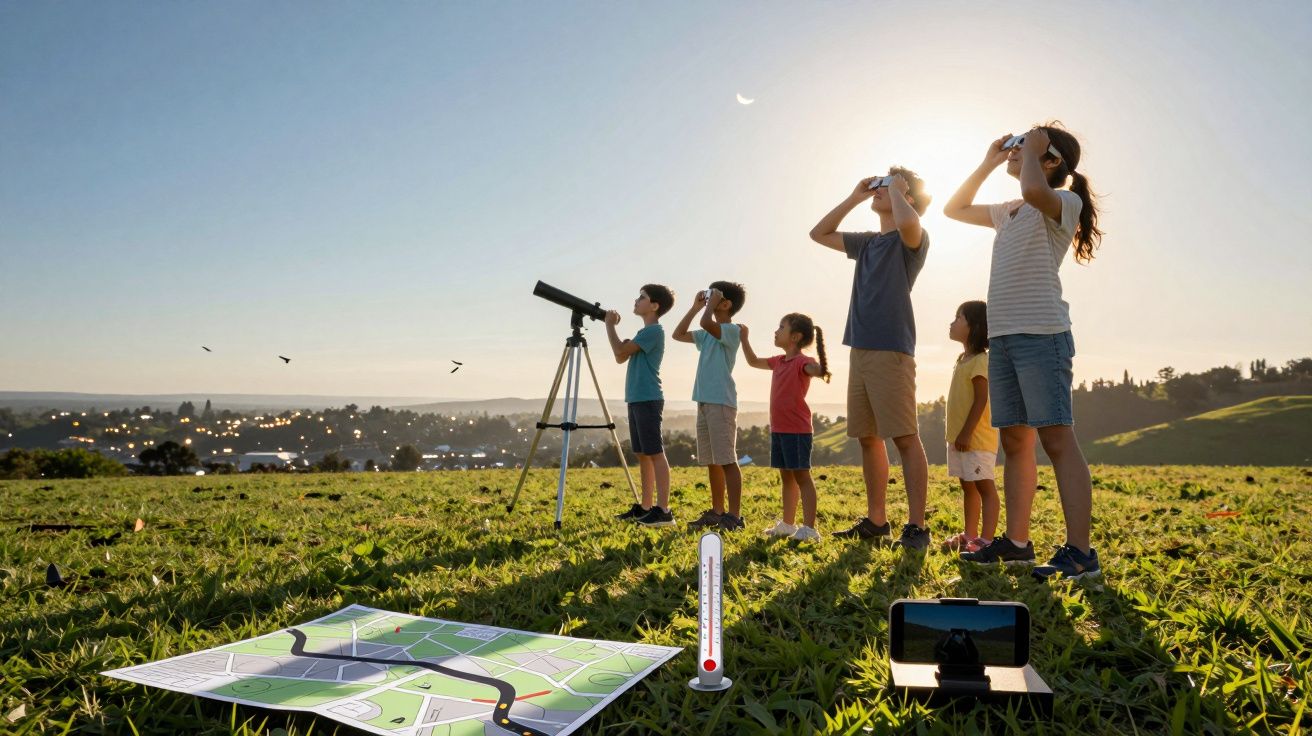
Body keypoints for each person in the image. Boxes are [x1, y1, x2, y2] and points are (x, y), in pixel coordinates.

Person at [943, 123, 1103, 580]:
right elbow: (955, 208)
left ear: (1051, 160)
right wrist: (991, 161)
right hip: (1006, 340)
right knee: (1014, 443)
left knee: (1056, 439)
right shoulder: (1009, 209)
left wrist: (1031, 149)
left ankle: (1080, 553)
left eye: (1025, 147)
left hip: (1042, 336)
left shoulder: (1060, 201)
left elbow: (1035, 187)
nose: (1016, 151)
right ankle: (1016, 543)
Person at [808, 167, 933, 551]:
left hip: (890, 349)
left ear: (907, 197)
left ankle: (916, 527)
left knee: (905, 437)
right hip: (860, 349)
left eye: (891, 186)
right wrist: (856, 197)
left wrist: (897, 188)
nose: (881, 189)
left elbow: (910, 222)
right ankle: (877, 521)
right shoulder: (867, 243)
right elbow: (819, 233)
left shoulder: (912, 238)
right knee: (868, 438)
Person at [740, 313, 832, 542]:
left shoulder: (801, 362)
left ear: (795, 337)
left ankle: (810, 529)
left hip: (797, 430)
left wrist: (819, 367)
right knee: (786, 477)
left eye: (781, 327)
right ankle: (788, 524)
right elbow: (752, 361)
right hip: (779, 429)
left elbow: (816, 370)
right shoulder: (778, 361)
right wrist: (744, 338)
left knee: (802, 476)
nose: (776, 331)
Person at [672, 281, 746, 531]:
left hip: (721, 403)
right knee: (713, 461)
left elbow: (706, 323)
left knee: (727, 459)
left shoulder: (732, 330)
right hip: (703, 401)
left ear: (726, 304)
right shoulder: (706, 334)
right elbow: (678, 334)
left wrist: (708, 307)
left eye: (716, 297)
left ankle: (734, 516)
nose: (710, 300)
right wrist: (695, 307)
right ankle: (717, 511)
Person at [606, 285, 676, 527]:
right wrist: (623, 342)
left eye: (642, 298)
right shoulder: (643, 333)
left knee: (655, 453)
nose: (636, 301)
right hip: (636, 398)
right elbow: (620, 356)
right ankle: (645, 507)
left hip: (648, 398)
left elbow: (618, 350)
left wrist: (610, 326)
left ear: (654, 306)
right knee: (643, 454)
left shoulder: (654, 331)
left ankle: (663, 510)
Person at [941, 301, 999, 554]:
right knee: (967, 485)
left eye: (958, 317)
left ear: (974, 327)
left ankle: (986, 539)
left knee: (984, 485)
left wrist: (966, 432)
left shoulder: (980, 361)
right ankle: (970, 534)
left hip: (976, 438)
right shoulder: (963, 359)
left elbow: (981, 399)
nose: (952, 322)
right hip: (959, 438)